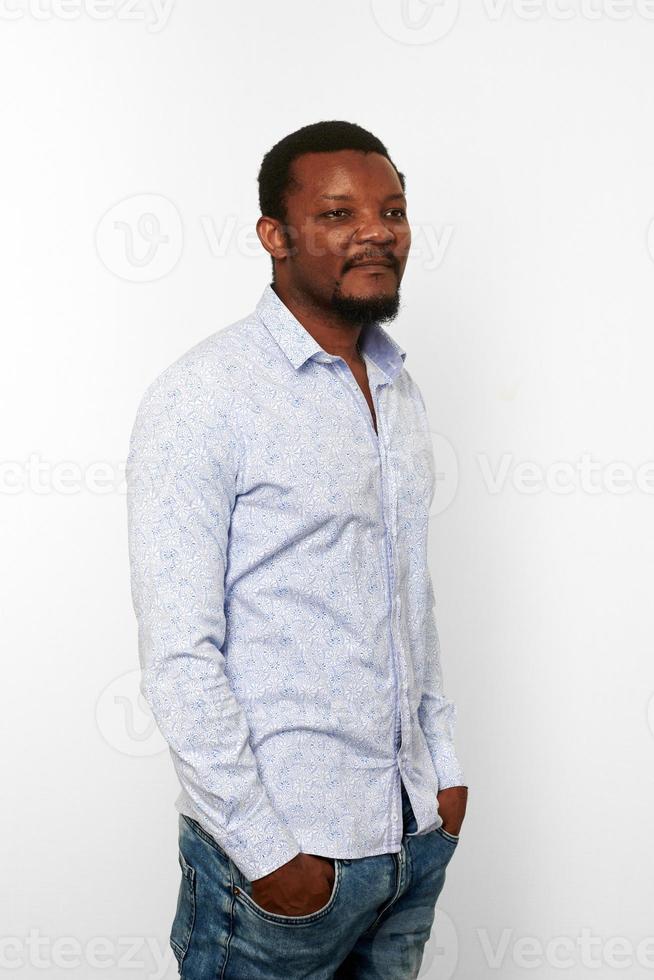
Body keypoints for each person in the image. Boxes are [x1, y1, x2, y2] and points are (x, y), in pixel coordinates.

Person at [126, 120, 468, 979]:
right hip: (281, 867)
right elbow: (179, 654)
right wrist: (268, 853)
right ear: (274, 237)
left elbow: (405, 597)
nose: (376, 232)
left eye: (392, 210)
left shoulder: (395, 384)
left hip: (408, 842)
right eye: (339, 213)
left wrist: (446, 775)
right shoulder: (204, 398)